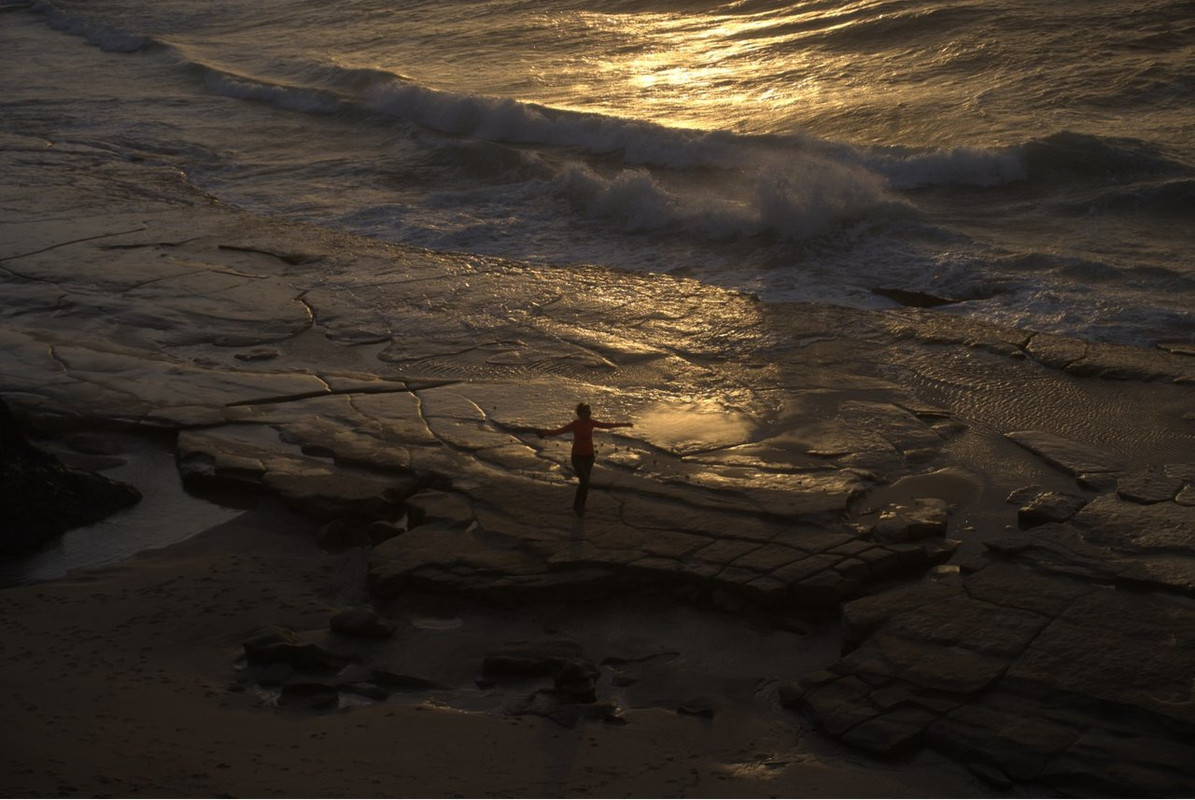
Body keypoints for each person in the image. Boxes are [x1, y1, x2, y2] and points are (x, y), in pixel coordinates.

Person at [538, 403, 633, 515]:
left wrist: (625, 424)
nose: (589, 414)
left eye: (590, 412)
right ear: (580, 414)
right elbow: (558, 431)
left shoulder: (591, 423)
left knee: (585, 482)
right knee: (584, 481)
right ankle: (577, 506)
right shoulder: (575, 424)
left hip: (589, 456)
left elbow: (607, 425)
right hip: (577, 457)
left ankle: (580, 505)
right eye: (586, 412)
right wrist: (544, 433)